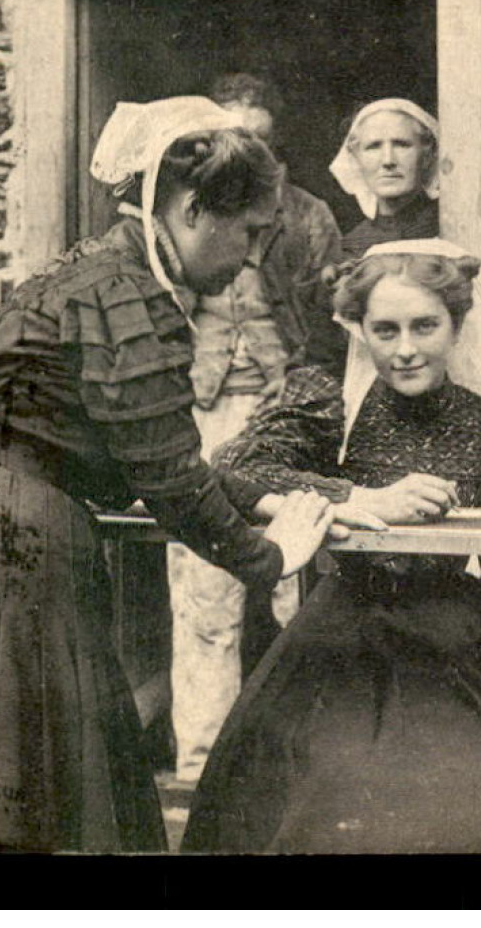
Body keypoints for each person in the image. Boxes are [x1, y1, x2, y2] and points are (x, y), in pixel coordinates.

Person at [0, 98, 336, 854]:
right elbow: (170, 480)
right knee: (28, 790)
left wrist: (261, 495)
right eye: (250, 232)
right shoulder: (129, 298)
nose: (252, 256)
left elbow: (142, 448)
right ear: (192, 209)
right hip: (10, 542)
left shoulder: (83, 270)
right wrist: (270, 556)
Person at [181, 240, 481, 853]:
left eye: (425, 326)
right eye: (384, 329)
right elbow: (236, 467)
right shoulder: (331, 405)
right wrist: (359, 498)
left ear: (457, 325)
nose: (405, 349)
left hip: (454, 633)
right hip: (342, 629)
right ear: (360, 330)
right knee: (326, 782)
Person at [160, 74, 346, 786]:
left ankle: (304, 768)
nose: (246, 151)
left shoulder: (307, 217)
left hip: (285, 418)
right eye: (228, 138)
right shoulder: (184, 217)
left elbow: (334, 327)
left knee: (298, 592)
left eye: (259, 140)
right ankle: (201, 768)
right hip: (200, 416)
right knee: (204, 592)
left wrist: (305, 399)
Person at [331, 99, 441, 257]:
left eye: (402, 144)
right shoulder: (354, 247)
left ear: (427, 154)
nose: (388, 161)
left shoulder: (450, 227)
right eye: (373, 147)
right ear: (356, 159)